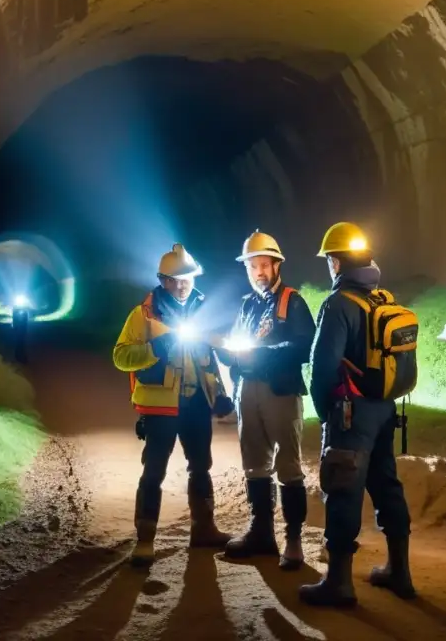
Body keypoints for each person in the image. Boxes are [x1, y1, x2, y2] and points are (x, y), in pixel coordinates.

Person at [298, 222, 415, 608]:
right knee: (385, 484)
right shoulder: (383, 297)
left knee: (343, 488)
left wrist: (325, 414)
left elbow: (322, 367)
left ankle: (339, 582)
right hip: (385, 407)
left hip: (350, 413)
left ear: (335, 261)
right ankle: (400, 571)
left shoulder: (338, 304)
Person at [112, 243, 236, 567]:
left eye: (187, 278)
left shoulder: (204, 309)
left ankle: (204, 529)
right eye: (175, 279)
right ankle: (144, 540)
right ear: (162, 280)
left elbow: (216, 357)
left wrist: (224, 388)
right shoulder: (144, 315)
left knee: (201, 467)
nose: (182, 285)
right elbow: (121, 356)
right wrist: (155, 348)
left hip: (195, 403)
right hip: (160, 407)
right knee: (154, 471)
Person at [216, 230, 316, 570]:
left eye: (263, 265)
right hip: (248, 390)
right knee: (254, 463)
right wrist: (229, 354)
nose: (258, 272)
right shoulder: (247, 305)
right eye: (252, 266)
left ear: (276, 266)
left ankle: (293, 540)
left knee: (288, 465)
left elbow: (305, 346)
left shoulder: (293, 301)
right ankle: (261, 532)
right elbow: (235, 341)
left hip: (280, 391)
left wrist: (262, 355)